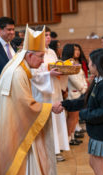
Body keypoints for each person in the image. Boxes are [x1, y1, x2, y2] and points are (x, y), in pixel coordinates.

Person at [0, 25, 61, 175]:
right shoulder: (17, 73)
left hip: (11, 126)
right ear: (29, 55)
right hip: (16, 130)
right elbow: (26, 106)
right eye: (41, 57)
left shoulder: (17, 67)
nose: (43, 62)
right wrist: (50, 107)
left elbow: (30, 84)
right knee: (22, 166)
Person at [59, 48, 103, 175]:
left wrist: (84, 114)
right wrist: (65, 104)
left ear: (98, 65)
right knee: (94, 163)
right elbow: (84, 100)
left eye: (91, 62)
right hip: (98, 131)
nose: (89, 65)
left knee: (99, 168)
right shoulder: (97, 81)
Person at [30, 26, 69, 162]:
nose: (48, 37)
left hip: (55, 89)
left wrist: (64, 71)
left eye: (49, 35)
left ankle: (57, 149)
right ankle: (47, 150)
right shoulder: (32, 52)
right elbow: (32, 75)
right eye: (45, 35)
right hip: (42, 93)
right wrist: (49, 74)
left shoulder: (51, 52)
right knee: (47, 121)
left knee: (57, 119)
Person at [61, 44, 88, 145]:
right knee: (72, 118)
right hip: (73, 93)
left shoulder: (74, 62)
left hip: (78, 92)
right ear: (69, 51)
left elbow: (82, 77)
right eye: (75, 50)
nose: (77, 51)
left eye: (78, 49)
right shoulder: (67, 63)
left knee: (75, 118)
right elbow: (73, 79)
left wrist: (84, 87)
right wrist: (82, 88)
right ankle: (69, 139)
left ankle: (72, 136)